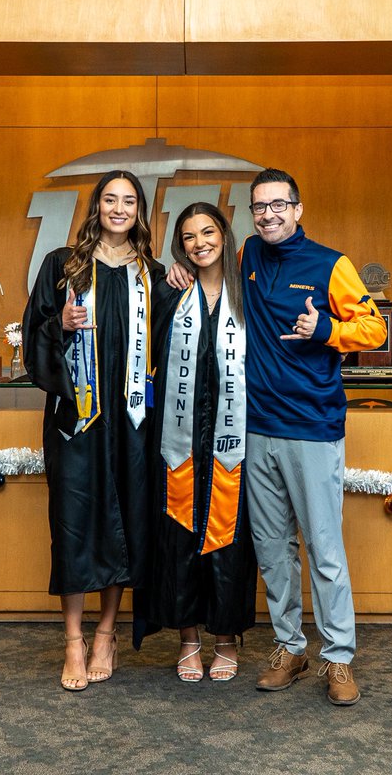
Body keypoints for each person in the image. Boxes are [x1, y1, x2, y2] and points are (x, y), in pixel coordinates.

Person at [167, 168, 386, 705]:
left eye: (278, 205)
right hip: (253, 430)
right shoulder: (248, 256)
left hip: (312, 428)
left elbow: (375, 329)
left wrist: (328, 330)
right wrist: (176, 270)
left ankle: (338, 658)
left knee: (324, 551)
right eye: (259, 206)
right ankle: (290, 647)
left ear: (298, 208)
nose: (268, 214)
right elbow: (207, 273)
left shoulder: (331, 264)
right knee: (272, 550)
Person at [22, 170, 163, 691]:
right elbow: (33, 335)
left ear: (140, 211)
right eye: (110, 199)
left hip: (132, 422)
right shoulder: (63, 265)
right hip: (76, 420)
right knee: (75, 522)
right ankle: (73, 640)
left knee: (126, 516)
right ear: (96, 207)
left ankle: (107, 633)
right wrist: (58, 324)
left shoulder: (153, 273)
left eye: (129, 201)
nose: (119, 208)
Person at [145, 203, 258, 683]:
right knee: (181, 534)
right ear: (179, 245)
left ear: (225, 234)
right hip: (179, 435)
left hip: (235, 435)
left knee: (231, 538)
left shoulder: (247, 292)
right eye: (188, 237)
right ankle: (189, 639)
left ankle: (226, 639)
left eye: (207, 232)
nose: (199, 243)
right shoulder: (172, 293)